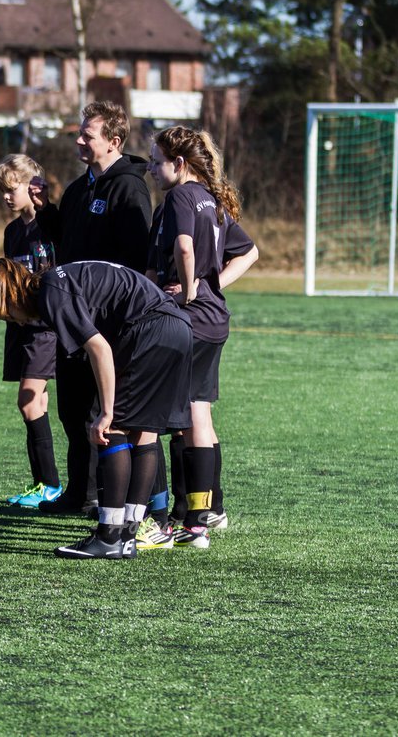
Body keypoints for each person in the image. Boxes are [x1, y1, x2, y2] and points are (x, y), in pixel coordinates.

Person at [0, 259, 192, 559]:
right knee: (144, 432)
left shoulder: (50, 292)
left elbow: (100, 348)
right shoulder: (59, 278)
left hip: (150, 328)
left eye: (9, 316)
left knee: (113, 427)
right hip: (177, 327)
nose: (18, 323)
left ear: (12, 297)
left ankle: (109, 536)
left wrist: (106, 410)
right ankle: (127, 536)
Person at [139, 126, 258, 551]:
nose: (151, 169)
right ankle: (200, 521)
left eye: (155, 161)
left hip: (189, 319)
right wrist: (213, 287)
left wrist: (191, 289)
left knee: (164, 416)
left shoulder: (180, 198)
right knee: (198, 415)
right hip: (214, 319)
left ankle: (166, 520)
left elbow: (186, 248)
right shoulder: (215, 201)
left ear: (179, 164)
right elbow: (250, 252)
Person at [33, 100, 153, 518]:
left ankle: (110, 497)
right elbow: (66, 241)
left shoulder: (129, 188)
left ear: (113, 142)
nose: (80, 140)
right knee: (71, 408)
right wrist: (45, 210)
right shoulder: (78, 188)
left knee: (104, 413)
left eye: (89, 135)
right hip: (73, 316)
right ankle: (79, 492)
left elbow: (137, 260)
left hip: (109, 322)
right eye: (80, 133)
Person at [0, 154, 62, 509]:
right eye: (1, 190)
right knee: (37, 403)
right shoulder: (12, 231)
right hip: (22, 327)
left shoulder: (53, 223)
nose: (5, 196)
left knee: (28, 399)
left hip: (46, 328)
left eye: (11, 188)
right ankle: (45, 484)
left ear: (33, 187)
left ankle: (49, 484)